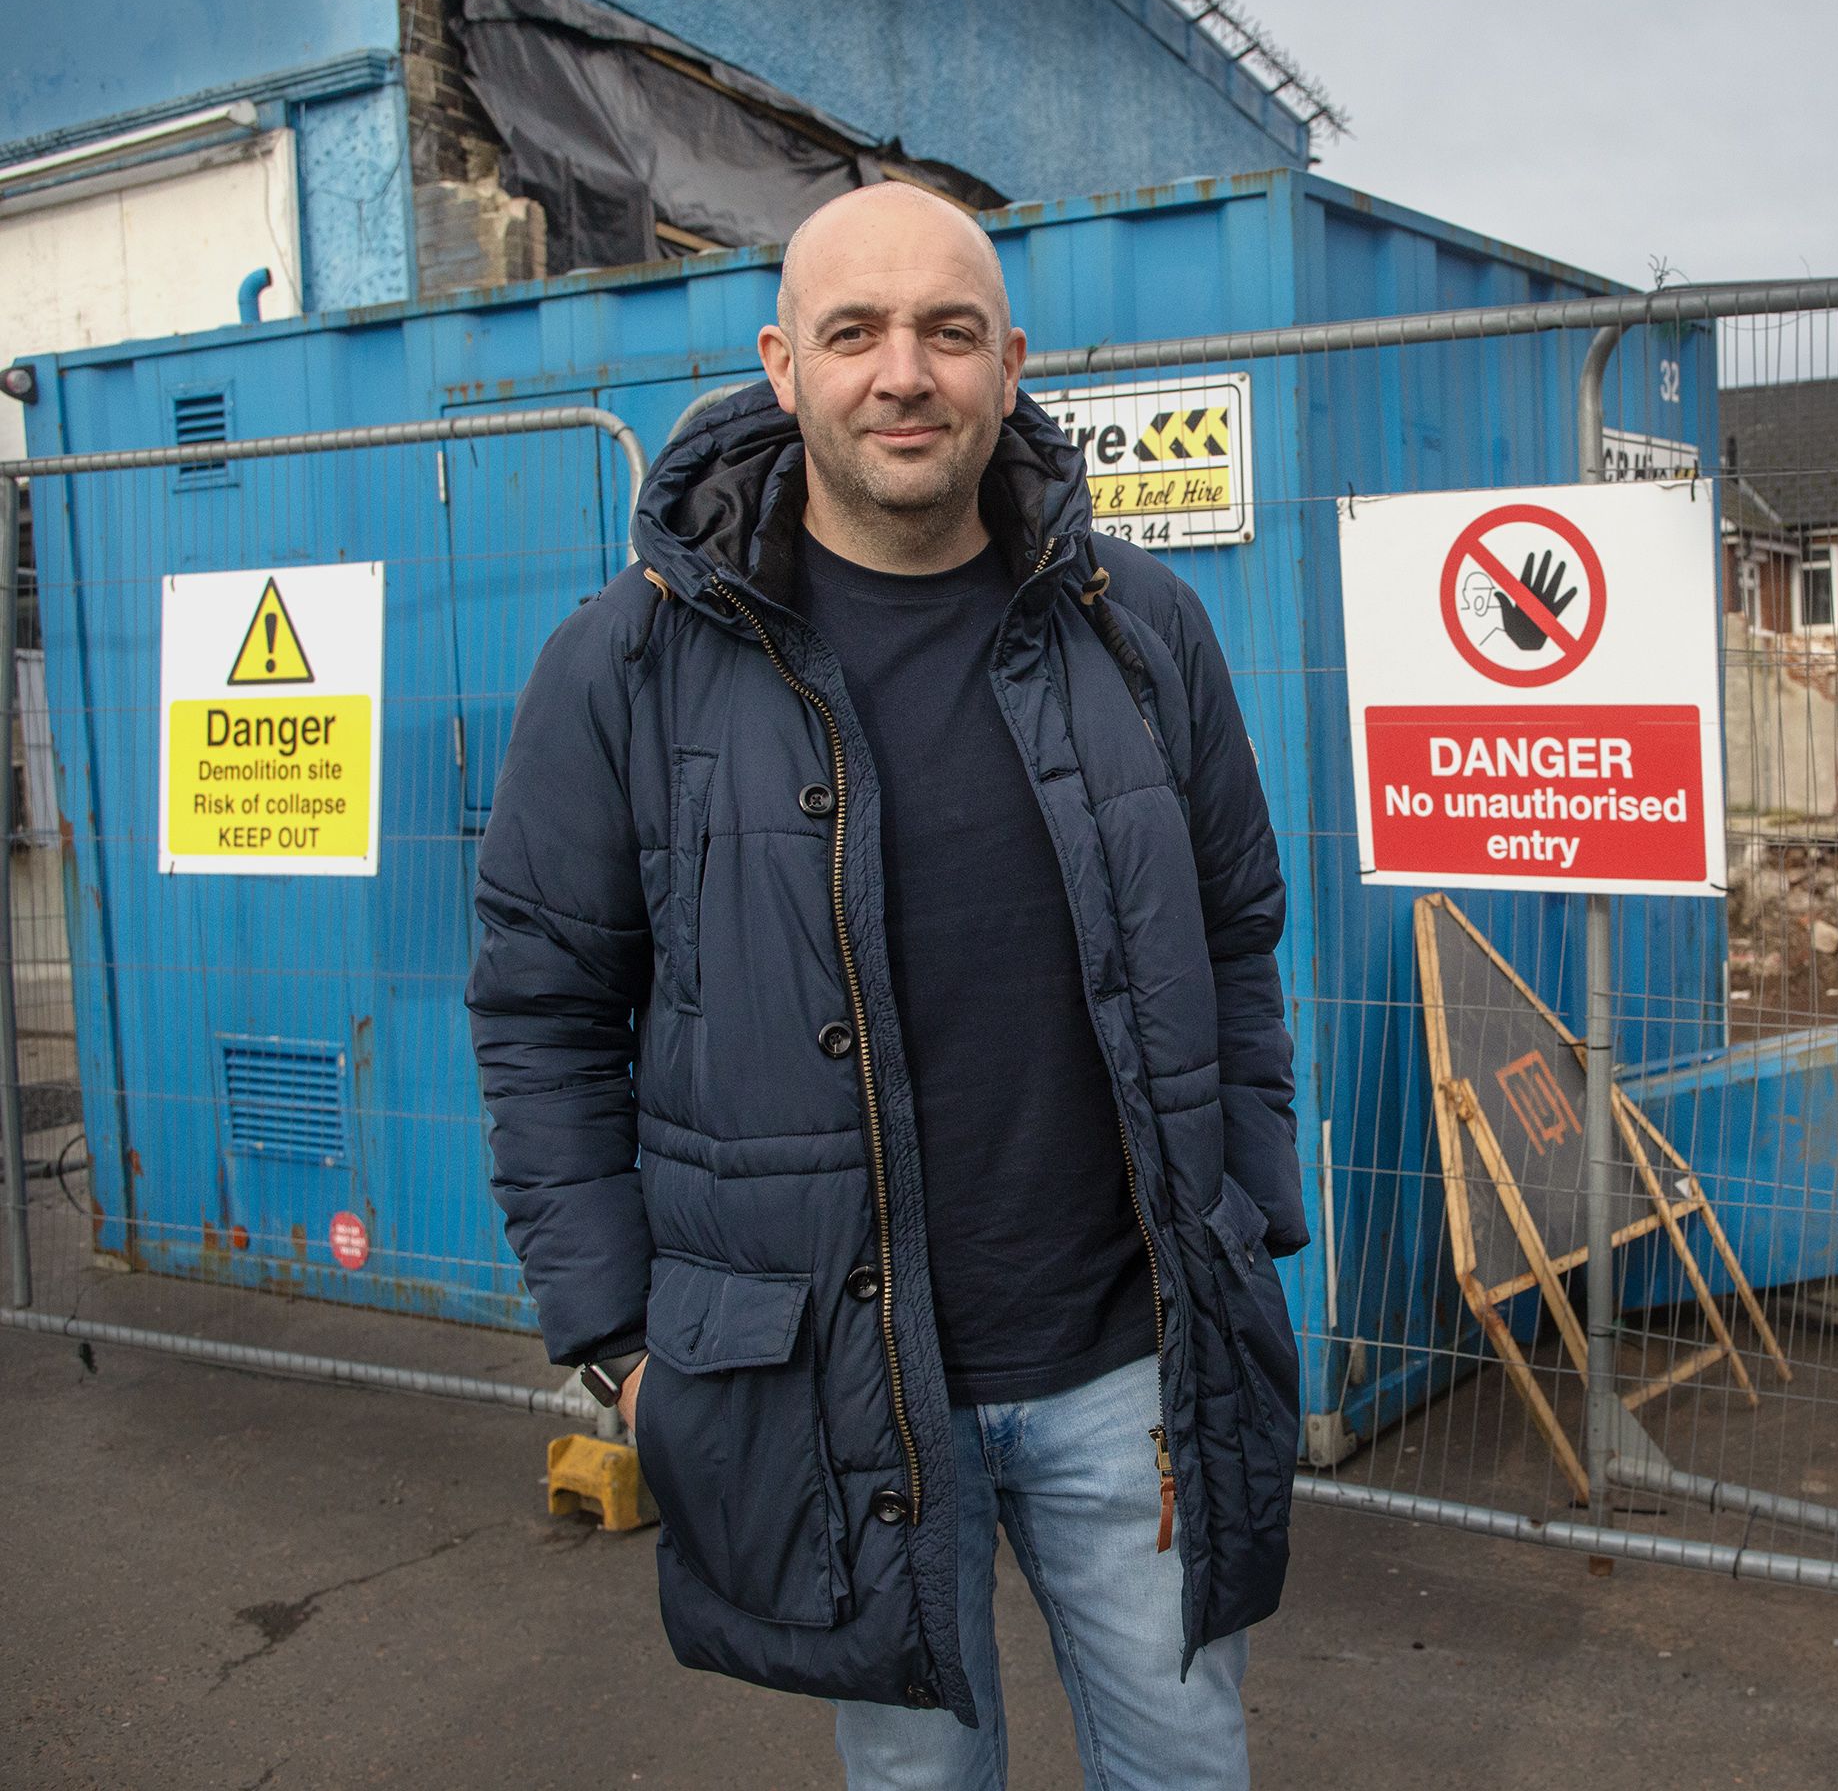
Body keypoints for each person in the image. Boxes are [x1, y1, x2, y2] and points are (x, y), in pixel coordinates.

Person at [467, 181, 1303, 1791]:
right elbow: (542, 1015)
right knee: (920, 1781)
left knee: (1187, 1765)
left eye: (948, 331)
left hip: (1131, 1366)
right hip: (828, 1388)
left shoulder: (1142, 630)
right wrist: (622, 1346)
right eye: (854, 332)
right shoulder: (629, 665)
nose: (903, 373)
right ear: (784, 366)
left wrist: (1244, 1217)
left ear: (1011, 363)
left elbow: (1235, 939)